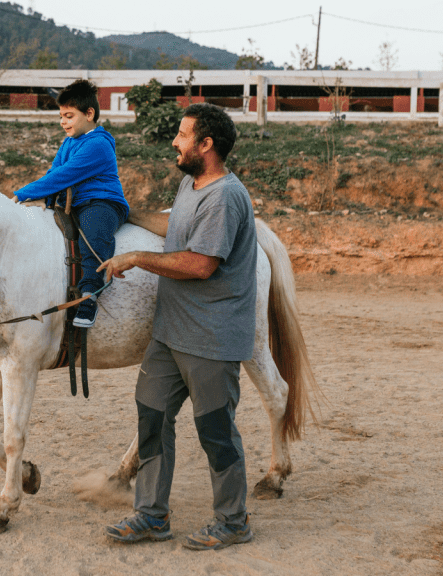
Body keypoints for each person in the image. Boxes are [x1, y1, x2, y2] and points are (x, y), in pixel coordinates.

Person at [97, 103, 258, 551]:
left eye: (184, 135)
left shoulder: (225, 197)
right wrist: (129, 214)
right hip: (170, 334)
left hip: (212, 337)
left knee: (215, 432)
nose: (175, 141)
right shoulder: (192, 183)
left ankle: (232, 521)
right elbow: (178, 228)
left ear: (206, 145)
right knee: (151, 418)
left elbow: (200, 263)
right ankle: (151, 515)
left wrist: (135, 257)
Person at [13, 79, 129, 328]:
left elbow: (64, 176)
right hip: (75, 203)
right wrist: (43, 198)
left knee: (93, 237)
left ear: (89, 114)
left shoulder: (98, 144)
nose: (63, 122)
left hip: (102, 202)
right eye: (61, 116)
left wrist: (22, 193)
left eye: (69, 116)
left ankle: (89, 296)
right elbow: (52, 173)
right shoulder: (68, 142)